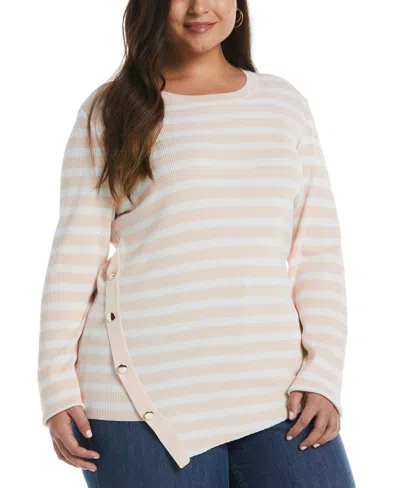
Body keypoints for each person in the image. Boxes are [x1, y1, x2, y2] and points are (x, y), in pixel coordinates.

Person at [37, 0, 356, 486]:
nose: (198, 7)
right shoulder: (112, 108)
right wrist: (57, 387)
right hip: (137, 399)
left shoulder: (283, 104)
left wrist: (324, 373)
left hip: (278, 392)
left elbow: (317, 251)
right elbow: (74, 256)